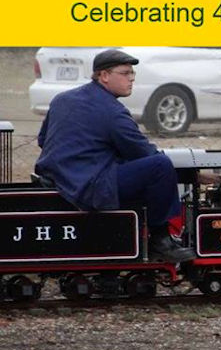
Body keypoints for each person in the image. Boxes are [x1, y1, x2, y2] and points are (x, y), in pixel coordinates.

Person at [34, 49, 195, 262]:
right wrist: (189, 174)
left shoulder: (62, 99)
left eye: (132, 73)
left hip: (57, 178)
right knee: (160, 166)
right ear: (104, 76)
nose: (132, 78)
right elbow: (143, 153)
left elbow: (43, 140)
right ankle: (161, 240)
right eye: (125, 73)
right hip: (89, 186)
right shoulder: (112, 111)